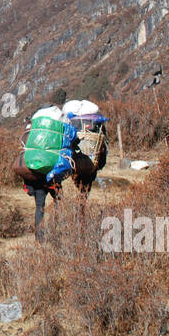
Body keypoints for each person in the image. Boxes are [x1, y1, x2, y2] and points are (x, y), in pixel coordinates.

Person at [34, 100, 108, 240]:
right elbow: (103, 155)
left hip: (70, 166)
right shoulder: (96, 127)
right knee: (82, 198)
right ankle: (79, 228)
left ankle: (58, 228)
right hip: (89, 166)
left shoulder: (66, 123)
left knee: (57, 200)